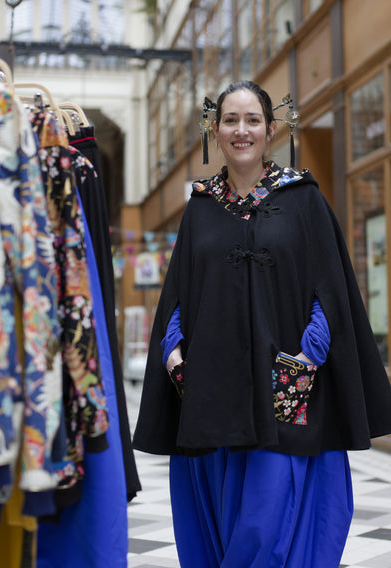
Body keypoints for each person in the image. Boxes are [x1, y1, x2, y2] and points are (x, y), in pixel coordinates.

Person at [132, 80, 391, 567]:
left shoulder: (303, 198)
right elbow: (180, 290)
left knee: (268, 520)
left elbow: (329, 289)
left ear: (271, 129)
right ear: (216, 129)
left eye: (253, 120)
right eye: (231, 120)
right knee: (220, 517)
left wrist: (307, 358)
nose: (241, 130)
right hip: (212, 390)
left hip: (286, 387)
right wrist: (174, 353)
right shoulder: (201, 206)